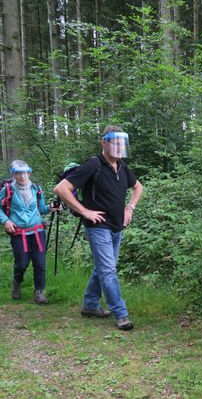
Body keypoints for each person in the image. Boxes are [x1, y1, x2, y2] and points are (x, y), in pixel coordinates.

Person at [54, 126, 143, 331]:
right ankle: (121, 314)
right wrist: (85, 211)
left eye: (122, 143)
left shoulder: (122, 166)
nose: (119, 147)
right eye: (115, 142)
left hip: (116, 227)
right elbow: (61, 189)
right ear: (104, 143)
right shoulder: (93, 165)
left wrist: (130, 208)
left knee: (103, 268)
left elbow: (138, 187)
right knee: (108, 270)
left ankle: (90, 305)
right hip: (98, 227)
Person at [0, 160, 62, 304]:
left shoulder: (36, 188)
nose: (22, 176)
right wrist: (6, 221)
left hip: (37, 231)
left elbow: (40, 208)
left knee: (40, 263)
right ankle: (17, 281)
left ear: (29, 173)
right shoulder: (8, 190)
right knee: (22, 263)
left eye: (25, 173)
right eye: (18, 173)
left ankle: (39, 292)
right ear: (13, 174)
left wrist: (51, 207)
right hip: (18, 232)